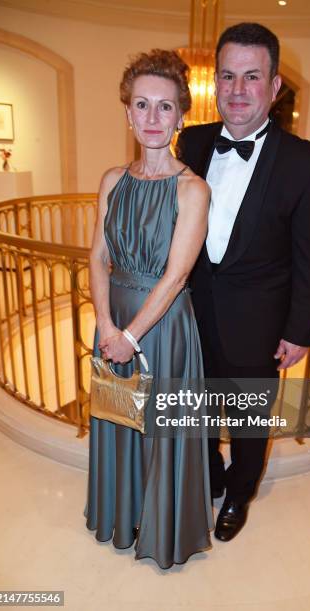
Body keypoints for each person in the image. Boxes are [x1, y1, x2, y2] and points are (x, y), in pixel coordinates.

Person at [176, 22, 310, 542]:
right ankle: (208, 475)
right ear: (214, 81)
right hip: (192, 316)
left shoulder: (307, 164)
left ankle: (239, 493)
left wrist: (300, 330)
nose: (237, 90)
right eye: (227, 76)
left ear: (275, 84)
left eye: (251, 77)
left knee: (247, 421)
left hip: (260, 326)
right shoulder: (192, 141)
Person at [84, 49, 214, 569]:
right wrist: (103, 324)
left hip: (161, 330)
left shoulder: (193, 189)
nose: (153, 119)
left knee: (160, 429)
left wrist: (129, 337)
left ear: (182, 114)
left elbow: (177, 275)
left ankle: (161, 526)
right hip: (112, 322)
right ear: (128, 113)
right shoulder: (112, 180)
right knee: (119, 418)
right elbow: (96, 257)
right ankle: (123, 512)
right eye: (142, 105)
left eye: (165, 107)